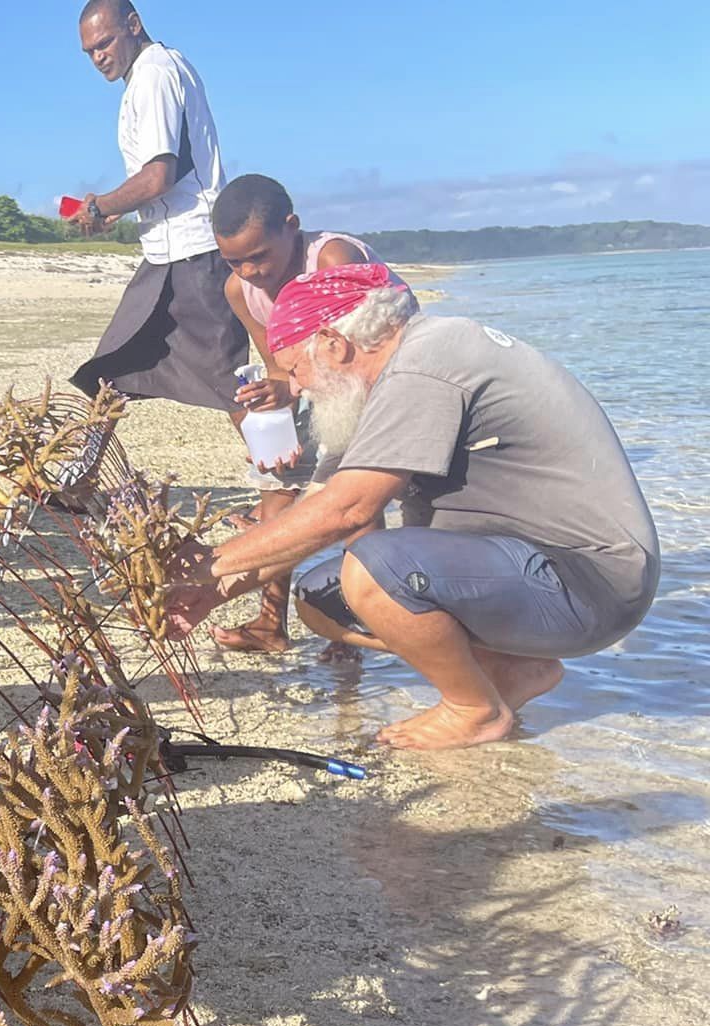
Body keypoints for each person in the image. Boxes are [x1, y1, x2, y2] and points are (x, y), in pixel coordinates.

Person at [165, 264, 661, 751]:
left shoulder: (426, 363)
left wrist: (209, 565)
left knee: (375, 568)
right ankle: (513, 670)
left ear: (334, 344)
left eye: (296, 369)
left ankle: (475, 711)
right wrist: (217, 589)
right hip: (528, 570)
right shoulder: (378, 384)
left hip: (593, 583)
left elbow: (348, 511)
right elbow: (318, 503)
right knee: (321, 599)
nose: (295, 389)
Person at [205, 174, 378, 652]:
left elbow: (355, 356)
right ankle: (269, 624)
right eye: (234, 261)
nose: (250, 271)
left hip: (374, 381)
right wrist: (272, 409)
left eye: (259, 256)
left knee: (354, 505)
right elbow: (281, 367)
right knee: (276, 488)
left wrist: (294, 388)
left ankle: (354, 625)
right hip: (317, 382)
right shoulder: (240, 291)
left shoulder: (331, 259)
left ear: (291, 227)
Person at [65, 1, 246, 417]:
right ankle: (83, 473)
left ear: (133, 24)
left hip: (194, 252)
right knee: (108, 371)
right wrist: (118, 210)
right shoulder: (152, 73)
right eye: (90, 51)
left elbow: (158, 176)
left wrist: (98, 206)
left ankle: (285, 474)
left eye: (104, 43)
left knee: (233, 387)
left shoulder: (154, 75)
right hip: (165, 255)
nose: (98, 57)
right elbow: (165, 176)